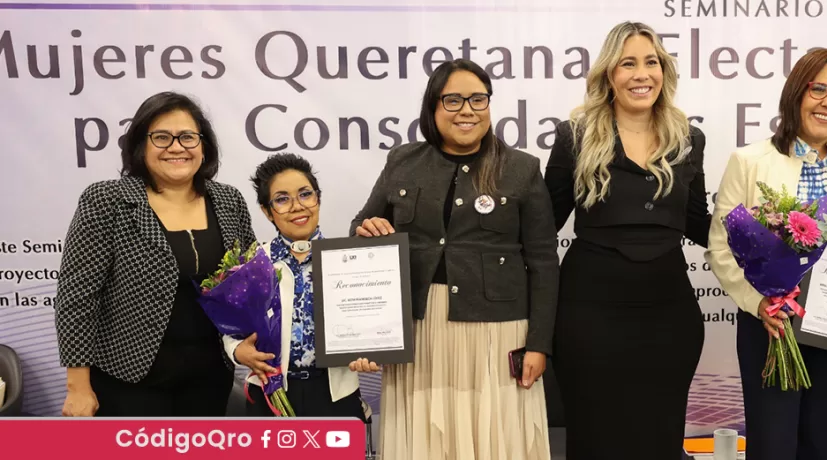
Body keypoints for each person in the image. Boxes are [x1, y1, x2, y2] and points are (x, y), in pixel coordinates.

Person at [349, 58, 558, 460]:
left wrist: (539, 345)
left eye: (478, 99)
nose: (467, 110)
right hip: (418, 328)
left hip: (498, 332)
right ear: (433, 108)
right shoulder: (403, 162)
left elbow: (545, 263)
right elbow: (362, 224)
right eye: (454, 100)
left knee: (495, 436)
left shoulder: (521, 168)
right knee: (424, 438)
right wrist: (368, 228)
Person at [705, 48, 827, 460]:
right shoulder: (750, 160)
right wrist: (759, 304)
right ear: (796, 93)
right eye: (819, 89)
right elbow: (721, 245)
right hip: (773, 325)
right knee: (773, 444)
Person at [544, 21, 710, 459]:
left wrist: (768, 240)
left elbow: (699, 223)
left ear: (664, 71)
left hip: (668, 315)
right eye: (628, 64)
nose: (642, 74)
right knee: (595, 437)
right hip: (589, 315)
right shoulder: (574, 137)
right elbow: (542, 226)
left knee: (660, 435)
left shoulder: (689, 139)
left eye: (651, 62)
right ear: (609, 75)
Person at [54, 92, 258, 417]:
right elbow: (77, 297)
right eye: (161, 137)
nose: (176, 147)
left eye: (188, 137)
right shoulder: (107, 200)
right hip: (129, 381)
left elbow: (250, 287)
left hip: (209, 378)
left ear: (203, 145)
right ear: (141, 145)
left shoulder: (228, 201)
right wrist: (77, 386)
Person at [219, 152, 374, 419]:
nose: (297, 206)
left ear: (318, 198)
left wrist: (369, 349)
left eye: (305, 194)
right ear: (267, 212)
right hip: (270, 395)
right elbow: (231, 328)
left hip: (336, 395)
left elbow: (371, 321)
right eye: (282, 200)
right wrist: (236, 350)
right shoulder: (253, 264)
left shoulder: (348, 260)